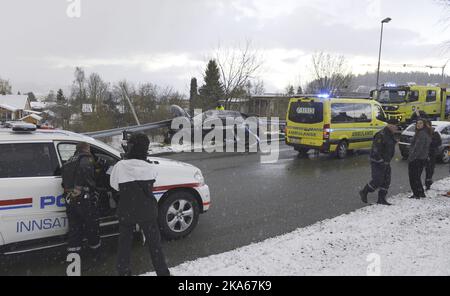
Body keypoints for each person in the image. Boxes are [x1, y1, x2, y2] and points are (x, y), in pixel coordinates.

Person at [110, 133, 170, 276]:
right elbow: (153, 183)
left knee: (124, 244)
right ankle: (162, 272)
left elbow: (114, 185)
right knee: (154, 244)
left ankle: (123, 271)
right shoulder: (150, 167)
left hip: (126, 210)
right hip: (147, 211)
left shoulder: (120, 166)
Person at [62, 142, 101, 252]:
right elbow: (90, 179)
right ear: (86, 149)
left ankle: (74, 258)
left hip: (70, 200)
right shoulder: (87, 159)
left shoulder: (68, 161)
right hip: (84, 199)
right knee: (92, 227)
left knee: (74, 229)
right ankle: (95, 255)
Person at [359, 119, 398, 206]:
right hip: (378, 162)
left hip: (386, 162)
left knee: (386, 181)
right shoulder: (381, 135)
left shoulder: (391, 135)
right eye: (394, 126)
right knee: (377, 181)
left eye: (396, 126)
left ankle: (381, 199)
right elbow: (375, 150)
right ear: (389, 125)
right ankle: (364, 191)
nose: (396, 128)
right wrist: (380, 161)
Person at [408, 119, 432, 199]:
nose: (418, 124)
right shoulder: (424, 132)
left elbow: (418, 148)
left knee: (413, 177)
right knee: (417, 177)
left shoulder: (421, 134)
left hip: (417, 159)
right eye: (417, 123)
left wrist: (412, 158)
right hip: (421, 158)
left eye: (421, 123)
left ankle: (416, 194)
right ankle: (420, 192)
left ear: (424, 124)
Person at [424, 121, 442, 190]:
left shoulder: (435, 133)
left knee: (430, 169)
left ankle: (428, 183)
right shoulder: (423, 133)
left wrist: (431, 143)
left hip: (431, 154)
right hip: (423, 154)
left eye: (427, 125)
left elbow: (439, 143)